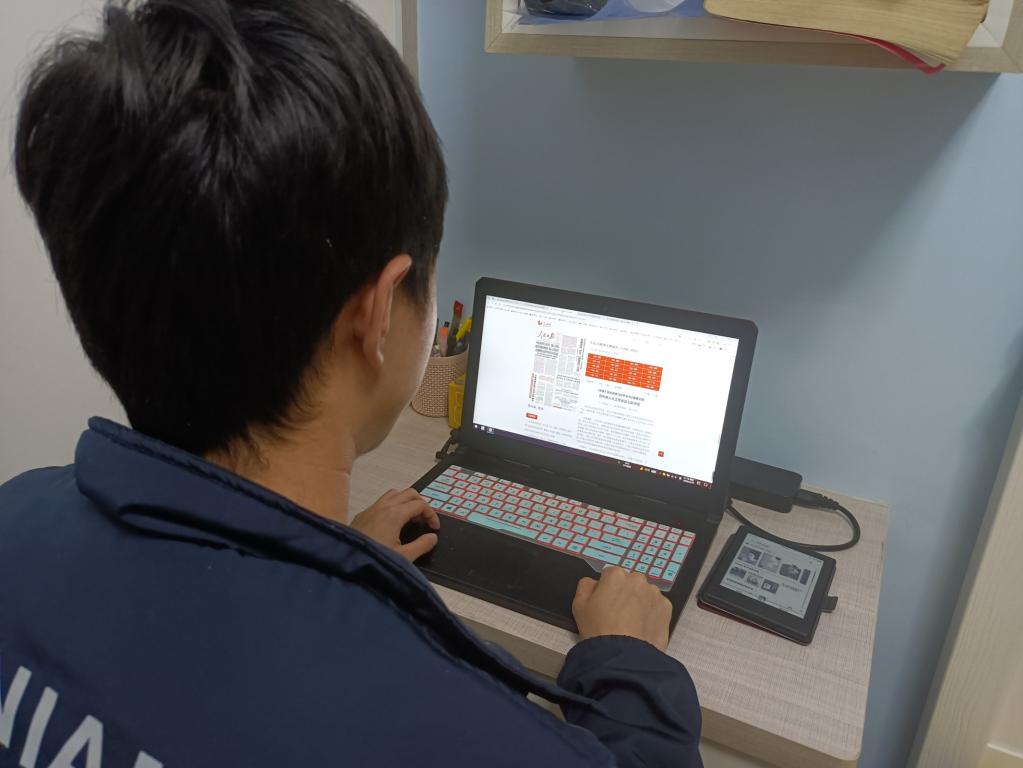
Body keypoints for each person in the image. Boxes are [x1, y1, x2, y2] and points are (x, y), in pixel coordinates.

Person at [0, 1, 703, 766]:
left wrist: (332, 555)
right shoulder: (459, 735)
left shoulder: (15, 515)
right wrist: (632, 668)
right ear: (378, 313)